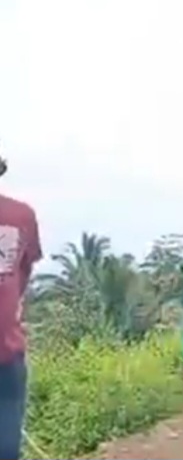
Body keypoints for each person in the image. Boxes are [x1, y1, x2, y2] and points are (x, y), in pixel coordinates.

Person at [0, 155, 41, 460]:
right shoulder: (20, 216)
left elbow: (21, 275)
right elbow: (20, 277)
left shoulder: (21, 216)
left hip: (7, 354)